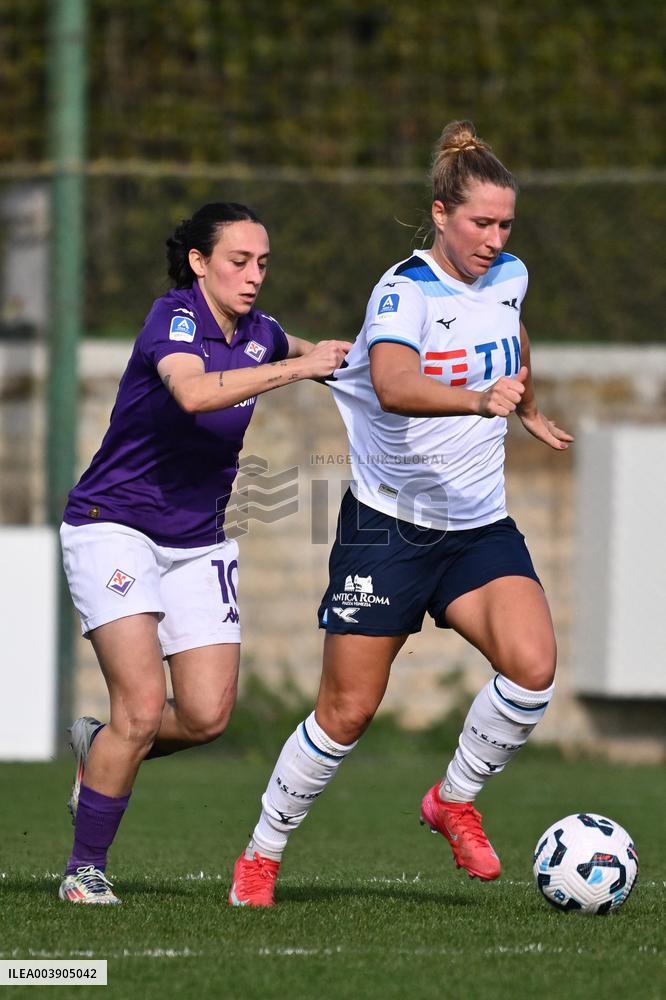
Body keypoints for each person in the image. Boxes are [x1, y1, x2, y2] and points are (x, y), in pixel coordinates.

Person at [227, 121, 574, 907]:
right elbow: (391, 381)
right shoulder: (404, 291)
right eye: (480, 223)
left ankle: (452, 800)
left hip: (478, 525)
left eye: (505, 224)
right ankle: (262, 851)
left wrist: (525, 406)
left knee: (533, 667)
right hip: (388, 528)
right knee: (346, 711)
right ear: (442, 214)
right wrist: (479, 401)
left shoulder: (509, 275)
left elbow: (513, 336)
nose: (494, 238)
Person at [57, 202, 350, 904]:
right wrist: (296, 369)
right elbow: (191, 393)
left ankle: (101, 750)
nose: (254, 277)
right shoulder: (174, 318)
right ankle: (83, 870)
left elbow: (333, 360)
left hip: (198, 540)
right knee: (141, 703)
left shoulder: (263, 332)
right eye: (238, 262)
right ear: (199, 262)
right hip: (113, 524)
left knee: (206, 716)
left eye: (263, 264)